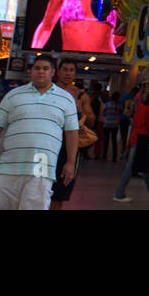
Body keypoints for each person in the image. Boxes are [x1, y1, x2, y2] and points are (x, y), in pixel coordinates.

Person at [0, 55, 78, 211]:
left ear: (53, 72)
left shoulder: (66, 99)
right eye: (37, 68)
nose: (41, 72)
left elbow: (72, 133)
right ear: (31, 71)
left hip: (42, 168)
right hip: (9, 166)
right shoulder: (13, 95)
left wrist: (70, 163)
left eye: (45, 68)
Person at [49, 59, 93, 210]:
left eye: (71, 70)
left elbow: (92, 120)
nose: (68, 73)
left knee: (60, 190)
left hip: (69, 146)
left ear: (75, 73)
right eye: (65, 70)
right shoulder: (49, 90)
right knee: (40, 187)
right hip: (47, 143)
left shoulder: (81, 95)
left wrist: (81, 110)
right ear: (58, 72)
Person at [113, 87, 149, 203]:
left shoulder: (141, 107)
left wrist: (129, 142)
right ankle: (119, 193)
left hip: (136, 137)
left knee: (142, 167)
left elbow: (135, 123)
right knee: (133, 167)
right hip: (142, 139)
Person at [103, 90, 122, 161]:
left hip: (107, 124)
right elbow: (120, 114)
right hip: (115, 125)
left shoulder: (107, 104)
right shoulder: (119, 105)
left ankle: (104, 155)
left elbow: (103, 113)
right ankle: (114, 156)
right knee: (114, 141)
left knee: (106, 140)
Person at [120, 84, 139, 152]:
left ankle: (124, 148)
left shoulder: (125, 97)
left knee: (124, 135)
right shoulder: (135, 98)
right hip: (130, 119)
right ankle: (125, 148)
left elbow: (121, 107)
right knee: (127, 135)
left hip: (124, 118)